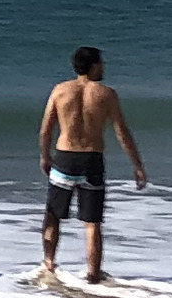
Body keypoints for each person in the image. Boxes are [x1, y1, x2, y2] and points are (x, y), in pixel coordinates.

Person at [38, 43, 146, 285]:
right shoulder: (106, 94)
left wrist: (45, 156)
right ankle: (93, 275)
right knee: (92, 223)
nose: (104, 66)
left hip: (65, 158)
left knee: (53, 216)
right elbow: (122, 132)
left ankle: (49, 264)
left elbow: (46, 128)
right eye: (101, 62)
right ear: (94, 65)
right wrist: (137, 165)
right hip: (91, 161)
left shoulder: (60, 90)